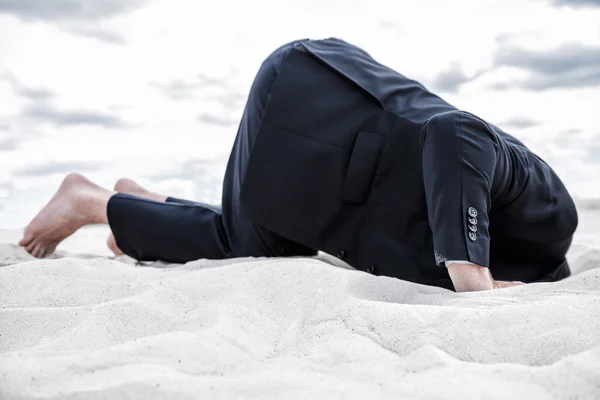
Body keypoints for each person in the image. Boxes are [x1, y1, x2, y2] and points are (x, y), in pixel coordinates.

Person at [18, 38, 578, 293]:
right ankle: (98, 204)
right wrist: (471, 273)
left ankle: (118, 202)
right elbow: (457, 135)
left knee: (247, 244)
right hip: (315, 105)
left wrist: (469, 273)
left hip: (318, 194)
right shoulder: (551, 220)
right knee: (242, 238)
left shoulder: (515, 275)